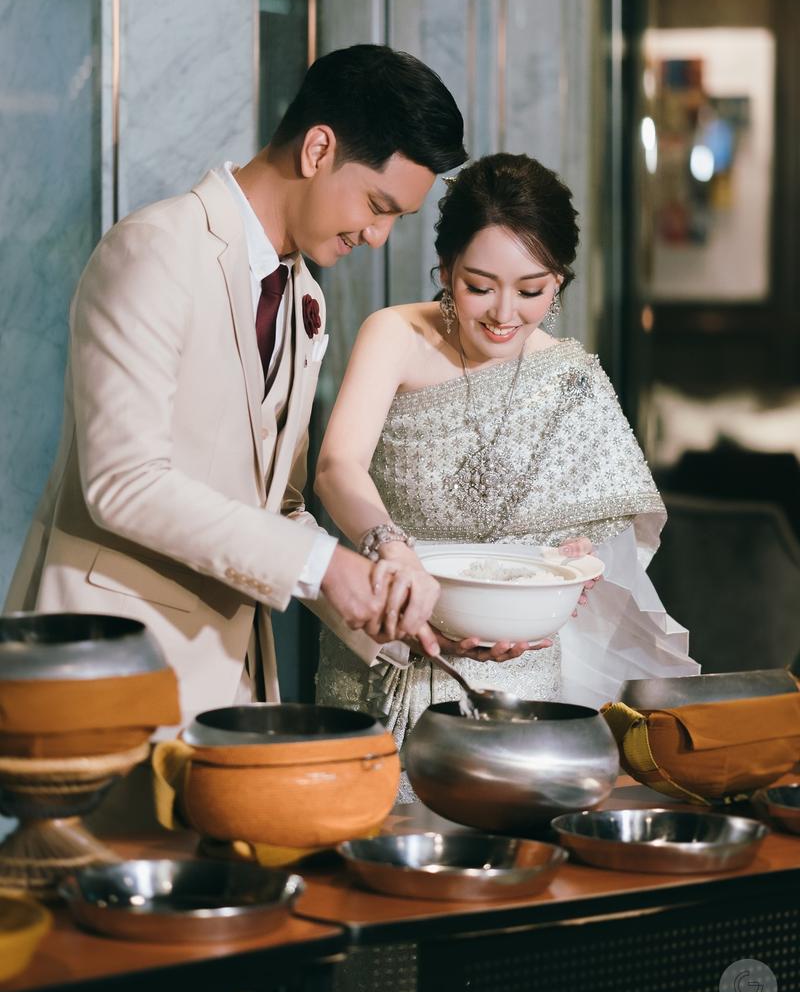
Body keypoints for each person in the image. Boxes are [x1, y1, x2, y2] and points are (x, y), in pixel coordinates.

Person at [4, 44, 467, 730]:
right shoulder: (156, 247)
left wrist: (389, 614)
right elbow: (123, 482)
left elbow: (277, 508)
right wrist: (323, 565)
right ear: (317, 149)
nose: (377, 236)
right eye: (378, 206)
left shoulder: (305, 300)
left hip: (227, 690)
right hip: (103, 670)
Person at [315, 152, 699, 769]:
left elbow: (601, 534)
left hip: (519, 674)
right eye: (478, 286)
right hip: (385, 654)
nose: (503, 314)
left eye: (530, 291)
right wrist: (391, 549)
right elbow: (337, 467)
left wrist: (575, 558)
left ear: (559, 283)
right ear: (445, 269)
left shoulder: (568, 375)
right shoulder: (395, 336)